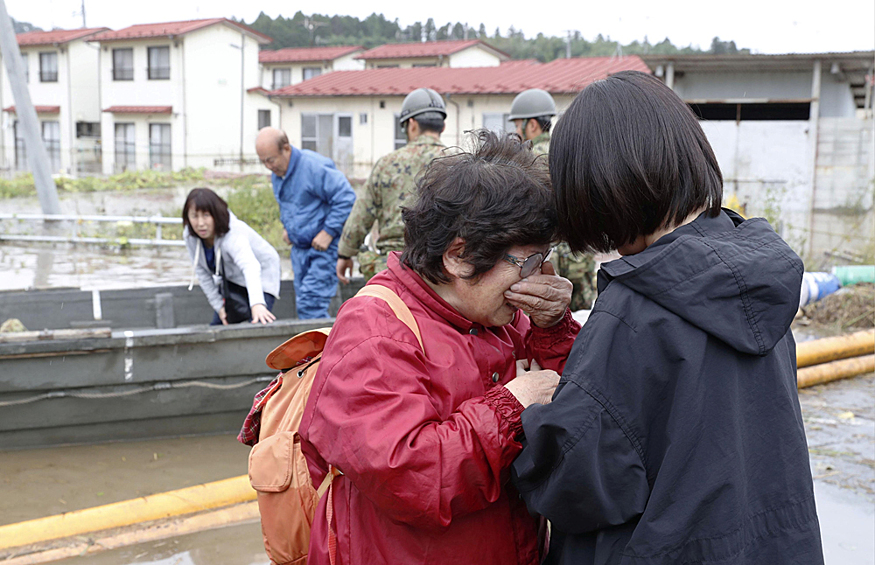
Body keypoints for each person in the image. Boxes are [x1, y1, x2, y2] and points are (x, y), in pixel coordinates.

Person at [512, 71, 824, 564]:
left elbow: (576, 484)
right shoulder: (759, 279)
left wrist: (529, 411)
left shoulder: (637, 310)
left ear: (599, 189)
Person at [298, 131, 580, 565]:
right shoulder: (374, 332)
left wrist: (554, 328)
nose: (537, 276)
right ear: (458, 256)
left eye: (544, 258)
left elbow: (584, 410)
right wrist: (510, 405)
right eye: (525, 262)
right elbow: (413, 479)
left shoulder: (502, 316)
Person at [336, 88, 450, 283]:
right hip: (443, 269)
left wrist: (345, 254)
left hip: (395, 267)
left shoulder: (386, 164)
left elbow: (361, 216)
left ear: (411, 124)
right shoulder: (460, 165)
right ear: (443, 126)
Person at [510, 88, 597, 310]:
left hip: (547, 257)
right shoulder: (568, 152)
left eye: (517, 125)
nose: (516, 131)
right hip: (580, 253)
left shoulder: (524, 159)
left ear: (532, 125)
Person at [255, 127, 356, 319]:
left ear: (286, 148)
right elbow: (291, 204)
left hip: (322, 251)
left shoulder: (313, 167)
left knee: (311, 306)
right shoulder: (278, 175)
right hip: (299, 251)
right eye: (263, 162)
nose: (268, 166)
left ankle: (328, 348)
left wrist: (329, 231)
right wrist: (288, 228)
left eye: (270, 159)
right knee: (303, 304)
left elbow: (346, 197)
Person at [183, 188, 280, 325]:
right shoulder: (190, 235)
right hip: (231, 279)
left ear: (215, 215)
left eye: (206, 215)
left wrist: (257, 303)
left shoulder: (233, 233)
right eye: (194, 216)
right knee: (219, 325)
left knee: (258, 322)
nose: (200, 223)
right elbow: (202, 272)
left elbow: (250, 266)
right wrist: (219, 307)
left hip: (261, 274)